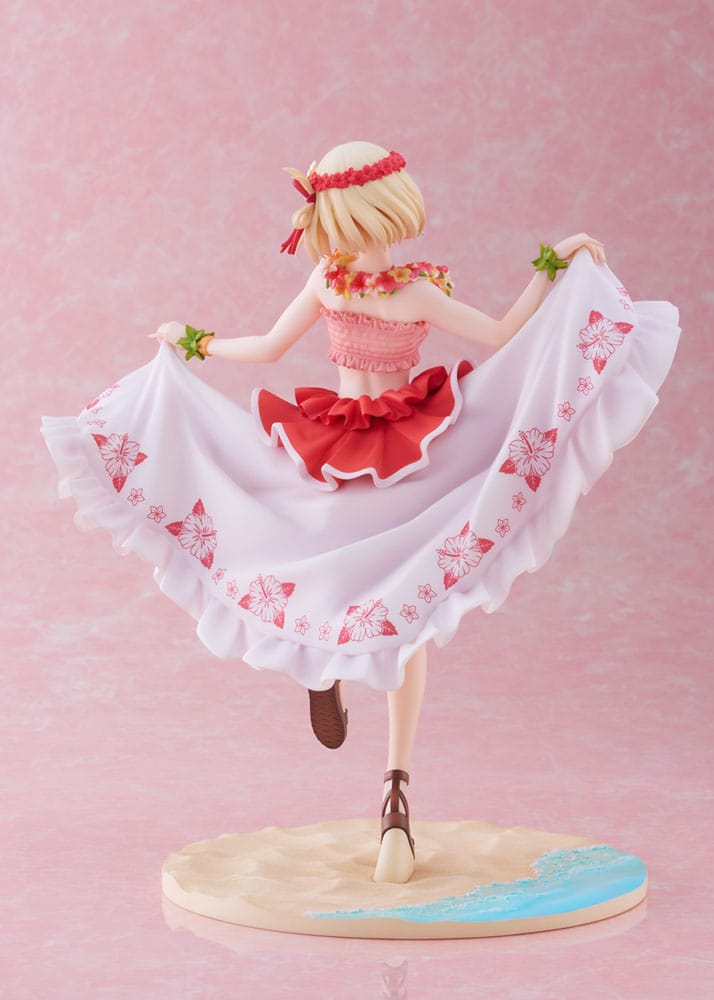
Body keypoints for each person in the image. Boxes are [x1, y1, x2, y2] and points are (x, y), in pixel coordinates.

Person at [42, 141, 679, 885]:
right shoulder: (406, 290)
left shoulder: (338, 283)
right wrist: (551, 267)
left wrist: (196, 341)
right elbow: (503, 333)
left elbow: (269, 347)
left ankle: (353, 711)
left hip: (354, 448)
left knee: (338, 568)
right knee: (398, 607)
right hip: (398, 451)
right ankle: (387, 774)